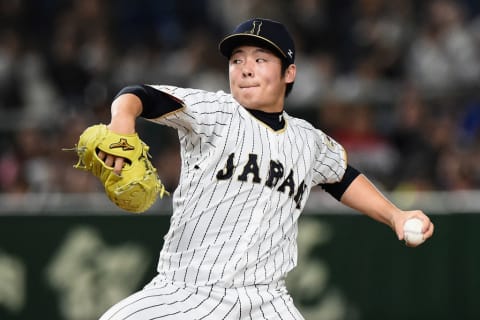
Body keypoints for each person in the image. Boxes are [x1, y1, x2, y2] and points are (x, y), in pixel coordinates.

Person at [97, 18, 434, 320]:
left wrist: (395, 215)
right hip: (187, 292)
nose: (245, 68)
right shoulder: (215, 111)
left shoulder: (308, 140)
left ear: (289, 73)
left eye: (260, 59)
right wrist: (122, 121)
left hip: (267, 300)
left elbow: (342, 177)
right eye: (237, 59)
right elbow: (138, 94)